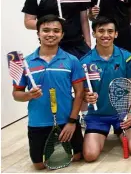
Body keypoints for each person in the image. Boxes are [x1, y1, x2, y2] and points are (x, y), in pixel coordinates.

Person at [12, 15, 85, 170]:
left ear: (62, 34)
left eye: (56, 31)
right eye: (45, 30)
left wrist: (72, 122)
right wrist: (28, 95)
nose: (51, 34)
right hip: (38, 122)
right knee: (39, 165)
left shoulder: (72, 60)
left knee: (78, 157)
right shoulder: (25, 63)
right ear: (38, 33)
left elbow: (79, 93)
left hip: (66, 120)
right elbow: (16, 94)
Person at [80, 17, 131, 162]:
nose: (105, 35)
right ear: (94, 33)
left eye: (110, 31)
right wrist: (86, 96)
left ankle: (119, 130)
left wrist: (130, 113)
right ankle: (103, 132)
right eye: (101, 31)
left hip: (121, 114)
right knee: (90, 156)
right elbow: (82, 93)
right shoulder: (84, 62)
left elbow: (130, 89)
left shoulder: (126, 58)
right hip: (97, 116)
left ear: (116, 34)